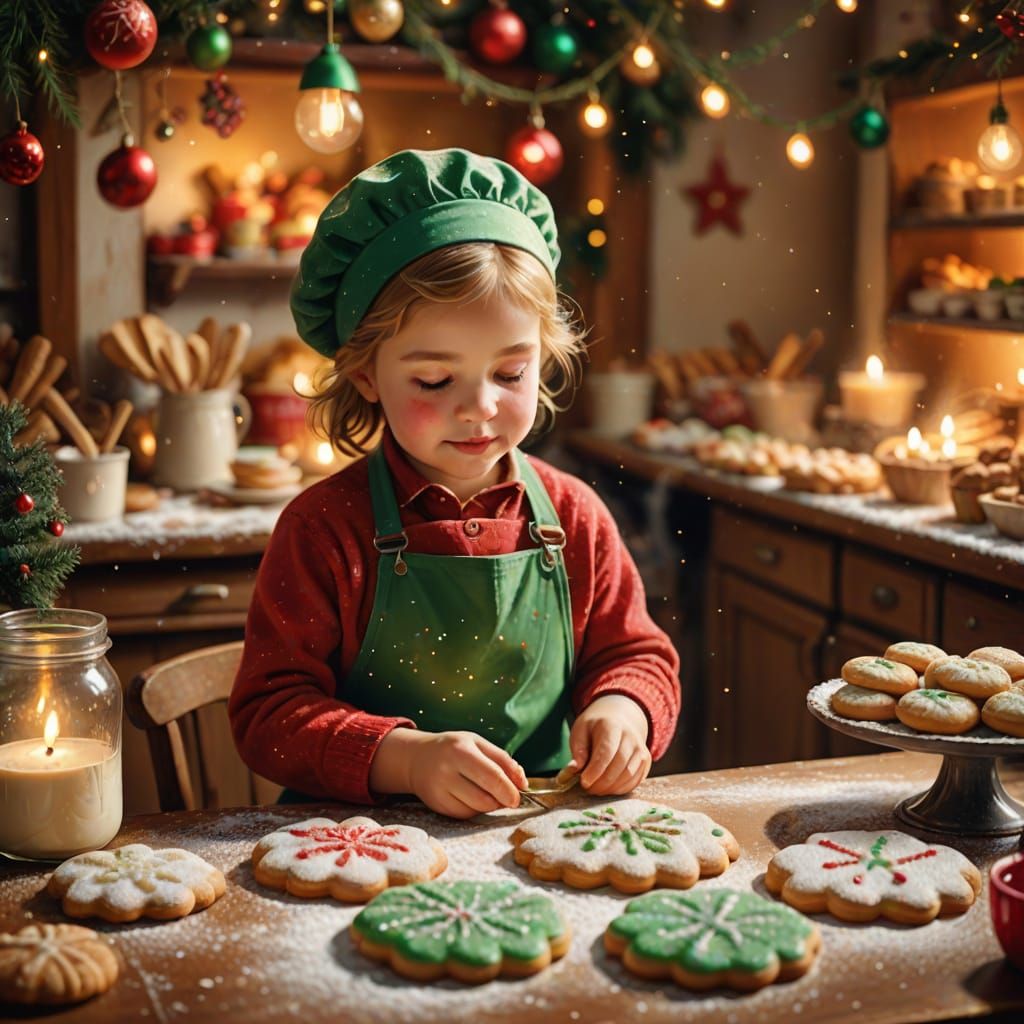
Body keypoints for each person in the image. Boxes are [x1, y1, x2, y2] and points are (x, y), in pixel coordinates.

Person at [228, 148, 680, 819]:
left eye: (510, 373)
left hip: (537, 834)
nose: (480, 408)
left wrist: (624, 712)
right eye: (435, 381)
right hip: (356, 841)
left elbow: (637, 654)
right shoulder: (324, 529)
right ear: (364, 376)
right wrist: (407, 759)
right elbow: (270, 715)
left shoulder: (573, 516)